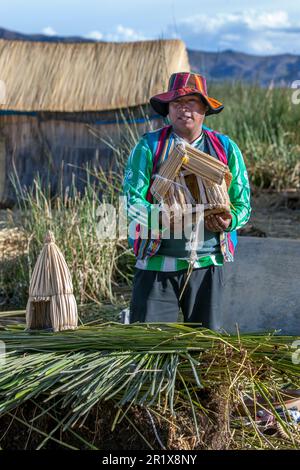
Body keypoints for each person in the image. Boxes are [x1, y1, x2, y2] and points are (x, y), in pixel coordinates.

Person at [123, 72, 251, 329]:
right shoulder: (150, 147)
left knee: (207, 352)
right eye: (176, 103)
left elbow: (243, 205)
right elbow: (132, 203)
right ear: (168, 110)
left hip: (207, 266)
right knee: (151, 349)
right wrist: (161, 216)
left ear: (204, 108)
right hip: (157, 266)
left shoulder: (225, 149)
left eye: (191, 101)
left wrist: (229, 220)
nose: (184, 108)